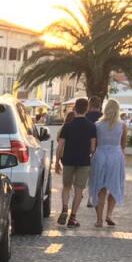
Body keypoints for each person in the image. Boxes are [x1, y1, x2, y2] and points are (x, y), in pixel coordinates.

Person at [54, 97, 97, 227]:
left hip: (68, 160)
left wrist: (56, 161)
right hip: (84, 161)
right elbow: (93, 147)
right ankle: (73, 217)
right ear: (87, 109)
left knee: (66, 187)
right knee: (79, 190)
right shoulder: (91, 127)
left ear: (74, 109)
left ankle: (64, 209)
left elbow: (60, 146)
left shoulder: (67, 126)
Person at [89, 98, 127, 227]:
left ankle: (99, 219)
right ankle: (109, 214)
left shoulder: (97, 125)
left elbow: (95, 143)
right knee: (115, 185)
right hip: (116, 155)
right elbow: (123, 144)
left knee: (100, 188)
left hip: (100, 155)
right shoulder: (122, 125)